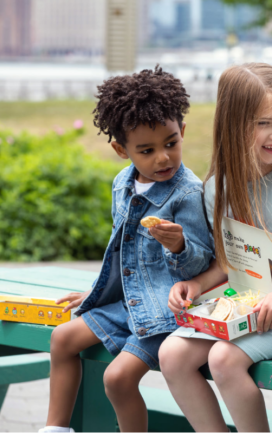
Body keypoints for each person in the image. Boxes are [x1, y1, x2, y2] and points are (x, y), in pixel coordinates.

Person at [158, 63, 272, 432]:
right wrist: (195, 286)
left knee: (224, 360)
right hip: (247, 304)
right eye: (263, 123)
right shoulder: (219, 187)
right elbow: (231, 264)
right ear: (233, 122)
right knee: (172, 354)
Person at [40, 66, 214, 433]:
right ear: (122, 150)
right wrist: (97, 291)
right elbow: (125, 255)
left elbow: (203, 264)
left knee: (117, 379)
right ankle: (55, 428)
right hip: (128, 303)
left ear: (182, 132)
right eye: (147, 151)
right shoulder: (122, 184)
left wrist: (180, 245)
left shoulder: (187, 193)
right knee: (62, 338)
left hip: (166, 315)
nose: (163, 158)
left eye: (171, 143)